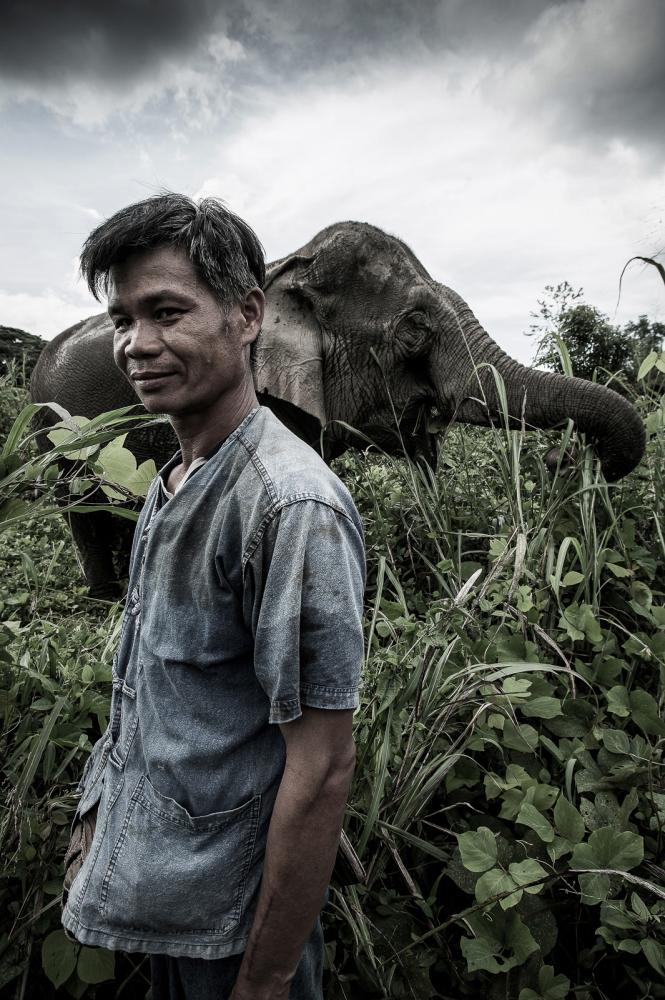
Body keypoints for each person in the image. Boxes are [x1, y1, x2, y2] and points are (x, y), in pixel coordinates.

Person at [61, 194, 366, 1000]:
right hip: (169, 889)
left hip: (236, 926)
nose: (136, 344)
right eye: (122, 319)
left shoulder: (288, 505)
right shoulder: (177, 476)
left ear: (248, 316)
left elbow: (322, 765)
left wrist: (263, 979)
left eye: (167, 313)